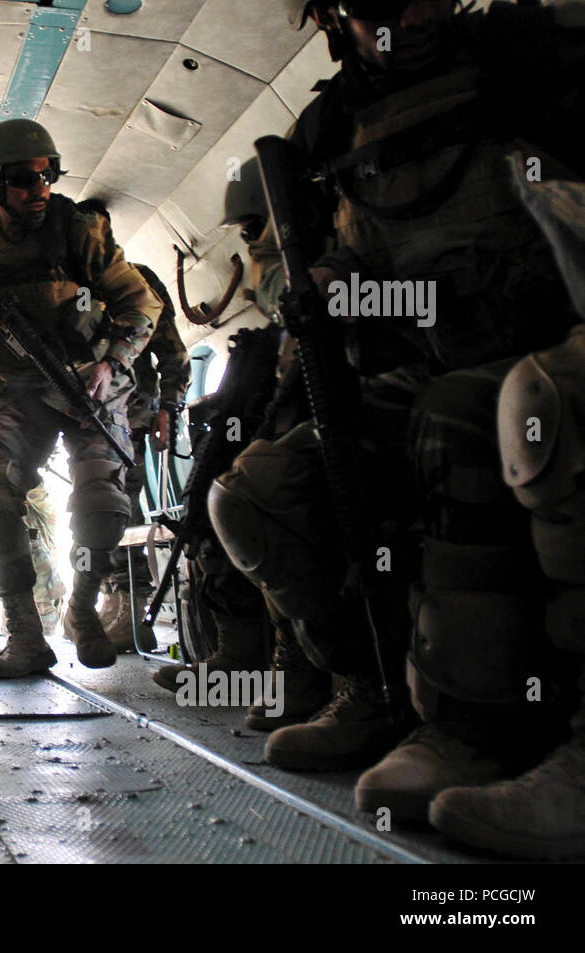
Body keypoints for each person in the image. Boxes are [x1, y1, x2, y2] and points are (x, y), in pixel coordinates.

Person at [208, 0, 585, 855]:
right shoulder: (331, 127)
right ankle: (373, 687)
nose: (404, 18)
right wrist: (328, 284)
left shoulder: (530, 52)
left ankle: (488, 724)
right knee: (256, 496)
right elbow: (309, 262)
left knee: (488, 418)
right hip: (419, 361)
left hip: (553, 340)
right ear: (335, 17)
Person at [0, 119, 163, 678]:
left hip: (88, 384)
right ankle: (25, 635)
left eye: (49, 175)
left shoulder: (79, 234)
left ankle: (82, 609)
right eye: (27, 179)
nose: (41, 189)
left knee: (102, 505)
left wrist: (111, 361)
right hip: (17, 391)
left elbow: (142, 305)